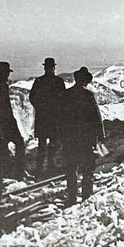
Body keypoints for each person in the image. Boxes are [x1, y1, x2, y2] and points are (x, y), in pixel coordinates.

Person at [61, 67, 104, 205]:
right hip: (86, 138)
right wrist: (101, 136)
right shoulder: (89, 95)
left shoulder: (66, 94)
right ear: (86, 81)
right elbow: (97, 117)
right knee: (88, 167)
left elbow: (60, 117)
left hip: (70, 138)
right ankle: (86, 196)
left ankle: (72, 197)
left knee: (71, 167)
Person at [0, 61, 26, 179]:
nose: (7, 76)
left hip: (3, 122)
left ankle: (9, 173)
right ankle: (15, 173)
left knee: (6, 147)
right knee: (17, 144)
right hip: (3, 123)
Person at [29, 58, 66, 175]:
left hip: (44, 117)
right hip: (53, 117)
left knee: (44, 144)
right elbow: (64, 98)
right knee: (50, 144)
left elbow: (32, 97)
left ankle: (41, 168)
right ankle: (49, 167)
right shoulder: (58, 81)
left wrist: (40, 108)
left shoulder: (39, 81)